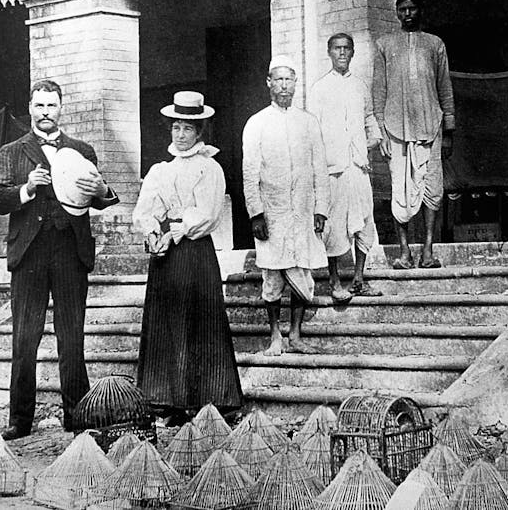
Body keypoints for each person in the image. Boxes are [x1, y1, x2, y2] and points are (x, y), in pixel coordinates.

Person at [0, 79, 119, 440]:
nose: (46, 113)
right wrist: (27, 189)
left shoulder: (82, 150)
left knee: (71, 334)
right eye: (39, 106)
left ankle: (77, 413)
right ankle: (20, 419)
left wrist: (103, 192)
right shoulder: (12, 152)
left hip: (69, 250)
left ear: (62, 108)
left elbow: (100, 195)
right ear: (30, 108)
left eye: (52, 106)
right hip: (28, 253)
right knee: (24, 338)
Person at [132, 91, 242, 424]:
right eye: (176, 128)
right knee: (167, 323)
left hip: (193, 251)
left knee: (199, 323)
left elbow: (207, 213)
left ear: (199, 131)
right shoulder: (160, 169)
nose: (180, 135)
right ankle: (169, 400)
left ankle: (211, 397)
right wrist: (154, 236)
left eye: (187, 129)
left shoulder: (209, 167)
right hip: (166, 255)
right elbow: (145, 209)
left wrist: (176, 232)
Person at [242, 56, 330, 356]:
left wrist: (321, 209)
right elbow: (249, 173)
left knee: (302, 275)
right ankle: (275, 337)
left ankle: (295, 334)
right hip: (272, 213)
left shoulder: (308, 122)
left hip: (303, 213)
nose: (283, 85)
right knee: (273, 276)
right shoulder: (256, 123)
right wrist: (256, 214)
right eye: (277, 79)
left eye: (288, 79)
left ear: (295, 83)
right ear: (268, 82)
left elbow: (320, 168)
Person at [373, 0, 455, 269]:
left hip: (431, 127)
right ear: (396, 12)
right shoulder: (384, 45)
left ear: (420, 10)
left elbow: (445, 89)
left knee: (432, 188)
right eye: (402, 9)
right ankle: (405, 252)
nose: (407, 14)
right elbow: (379, 92)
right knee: (401, 189)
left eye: (412, 8)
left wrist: (448, 133)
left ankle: (428, 250)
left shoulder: (435, 44)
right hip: (395, 130)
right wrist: (380, 133)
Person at [310, 32, 383, 302]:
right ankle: (333, 280)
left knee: (364, 220)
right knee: (334, 226)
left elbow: (369, 119)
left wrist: (372, 142)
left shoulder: (360, 86)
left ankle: (359, 279)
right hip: (333, 170)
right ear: (329, 53)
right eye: (337, 49)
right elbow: (313, 131)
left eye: (347, 49)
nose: (342, 53)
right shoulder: (319, 89)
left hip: (358, 168)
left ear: (353, 53)